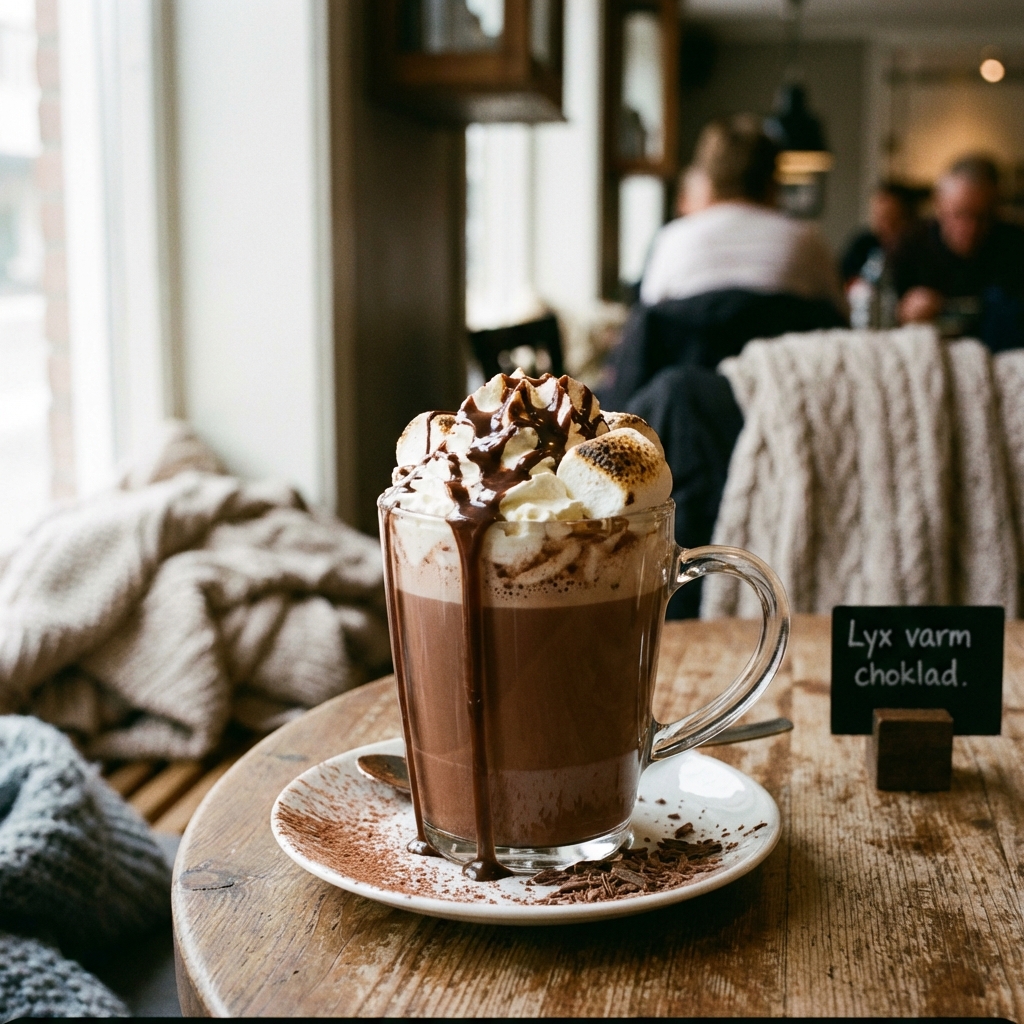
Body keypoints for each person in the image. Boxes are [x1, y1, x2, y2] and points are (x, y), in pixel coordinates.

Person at [640, 114, 844, 312]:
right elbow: (841, 326)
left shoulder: (673, 241)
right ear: (773, 185)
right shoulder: (806, 242)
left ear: (707, 182)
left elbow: (648, 328)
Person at [893, 155, 1024, 348]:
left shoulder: (1015, 244)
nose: (971, 228)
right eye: (960, 214)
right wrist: (903, 314)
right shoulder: (909, 247)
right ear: (939, 206)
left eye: (982, 217)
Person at [840, 182, 919, 285]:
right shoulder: (864, 243)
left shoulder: (916, 250)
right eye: (877, 215)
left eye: (887, 217)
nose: (880, 224)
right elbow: (841, 278)